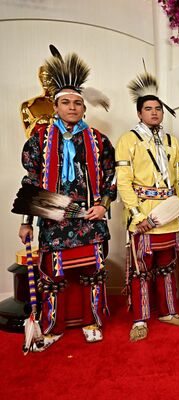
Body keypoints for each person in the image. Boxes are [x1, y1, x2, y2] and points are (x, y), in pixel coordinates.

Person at [17, 47, 116, 351]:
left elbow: (112, 177)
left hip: (90, 218)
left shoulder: (98, 139)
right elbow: (32, 180)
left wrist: (103, 205)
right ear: (56, 106)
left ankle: (91, 321)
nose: (72, 108)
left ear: (84, 108)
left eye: (77, 103)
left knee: (92, 273)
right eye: (66, 103)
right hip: (53, 216)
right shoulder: (41, 139)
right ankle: (53, 325)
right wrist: (26, 223)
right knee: (53, 275)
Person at [116, 71, 179, 342]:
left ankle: (169, 312)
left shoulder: (172, 142)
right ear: (139, 114)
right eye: (148, 109)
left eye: (158, 109)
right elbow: (124, 182)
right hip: (144, 214)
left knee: (168, 265)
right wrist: (137, 216)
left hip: (169, 214)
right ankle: (140, 318)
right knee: (141, 268)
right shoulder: (129, 140)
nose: (154, 113)